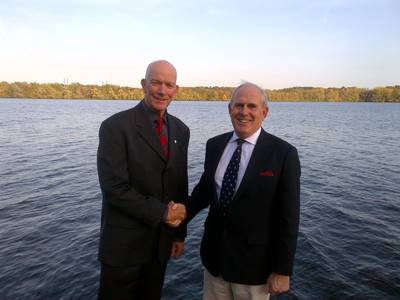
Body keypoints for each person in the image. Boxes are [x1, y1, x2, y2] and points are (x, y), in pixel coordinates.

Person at [187, 82, 301, 300]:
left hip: (254, 270)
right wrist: (178, 221)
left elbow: (288, 217)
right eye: (238, 105)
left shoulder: (284, 154)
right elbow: (204, 192)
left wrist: (283, 269)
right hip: (214, 264)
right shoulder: (214, 145)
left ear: (264, 112)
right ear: (229, 109)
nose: (244, 112)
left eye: (251, 106)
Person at [97, 60, 189, 300]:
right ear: (143, 84)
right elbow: (114, 189)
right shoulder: (115, 127)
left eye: (169, 85)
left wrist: (179, 234)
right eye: (156, 82)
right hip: (123, 250)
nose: (162, 90)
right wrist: (163, 214)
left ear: (176, 90)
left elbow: (180, 184)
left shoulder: (181, 130)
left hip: (160, 246)